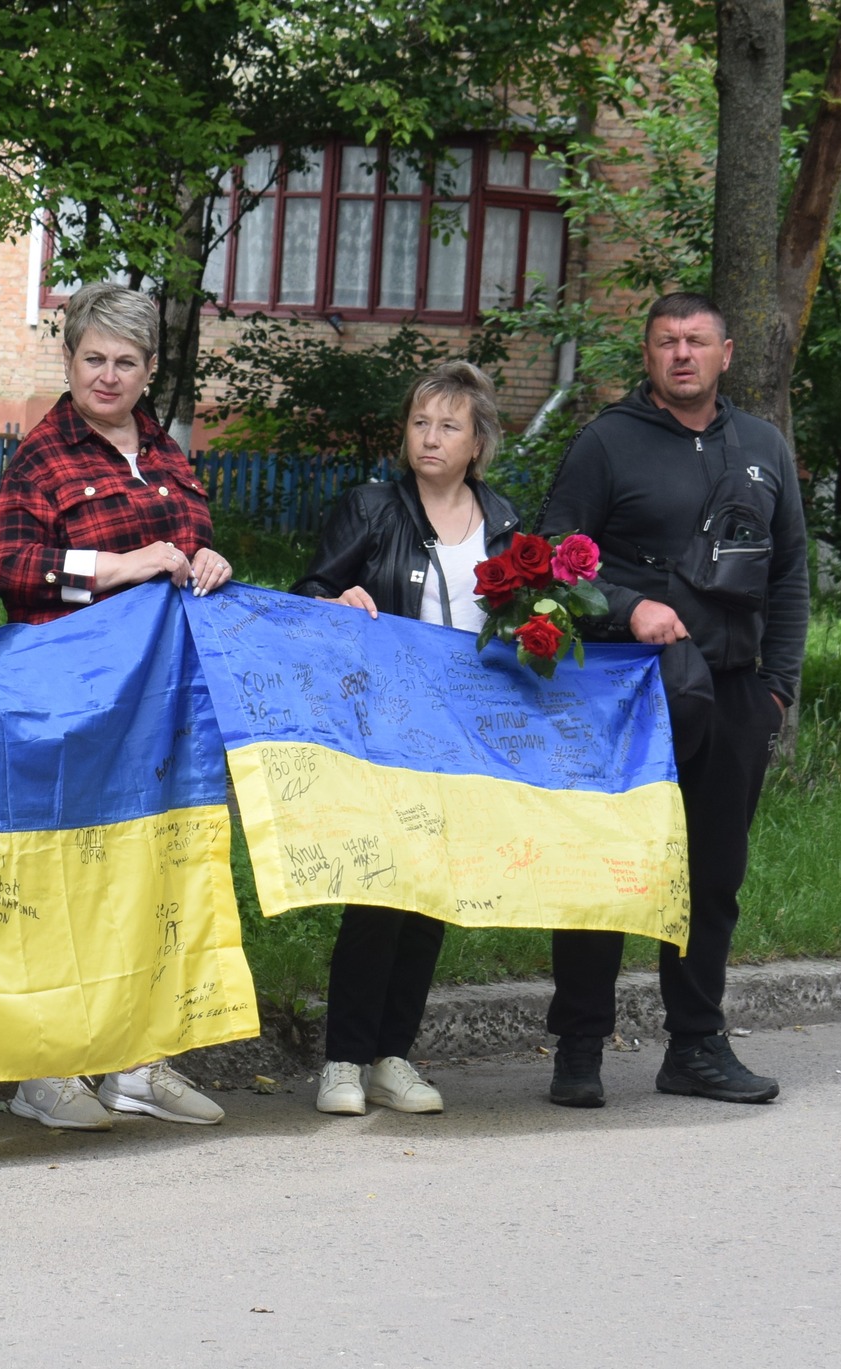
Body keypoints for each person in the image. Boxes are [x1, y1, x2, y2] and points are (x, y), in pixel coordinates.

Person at [538, 291, 809, 1108]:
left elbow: (790, 573)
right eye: (666, 341)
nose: (682, 354)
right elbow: (550, 557)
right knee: (605, 868)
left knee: (711, 876)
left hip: (732, 693)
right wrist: (627, 608)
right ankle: (579, 1046)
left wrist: (775, 689)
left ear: (726, 353)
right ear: (648, 355)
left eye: (696, 340)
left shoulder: (762, 447)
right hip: (625, 688)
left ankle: (695, 1045)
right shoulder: (606, 442)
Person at [0, 281, 233, 1129]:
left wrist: (209, 560)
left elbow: (187, 545)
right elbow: (7, 567)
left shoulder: (167, 454)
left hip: (159, 706)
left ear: (151, 369)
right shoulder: (42, 457)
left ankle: (137, 1063)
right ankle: (44, 1069)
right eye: (93, 358)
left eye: (126, 362)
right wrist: (117, 568)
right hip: (68, 699)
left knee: (144, 878)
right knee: (62, 879)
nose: (108, 376)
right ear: (69, 358)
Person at [290, 361, 523, 1117]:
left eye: (449, 425)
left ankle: (394, 1056)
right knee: (377, 893)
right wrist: (337, 598)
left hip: (466, 738)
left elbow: (526, 621)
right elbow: (307, 595)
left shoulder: (506, 525)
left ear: (478, 442)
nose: (431, 437)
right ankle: (342, 1061)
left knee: (431, 897)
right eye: (421, 423)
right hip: (382, 731)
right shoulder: (371, 508)